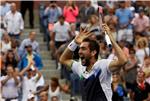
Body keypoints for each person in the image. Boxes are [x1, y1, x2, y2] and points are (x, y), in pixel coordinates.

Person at [59, 24, 127, 101]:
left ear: (93, 52)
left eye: (83, 49)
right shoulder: (80, 68)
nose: (79, 52)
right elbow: (63, 59)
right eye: (80, 49)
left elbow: (123, 61)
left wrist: (111, 38)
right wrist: (74, 42)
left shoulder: (103, 65)